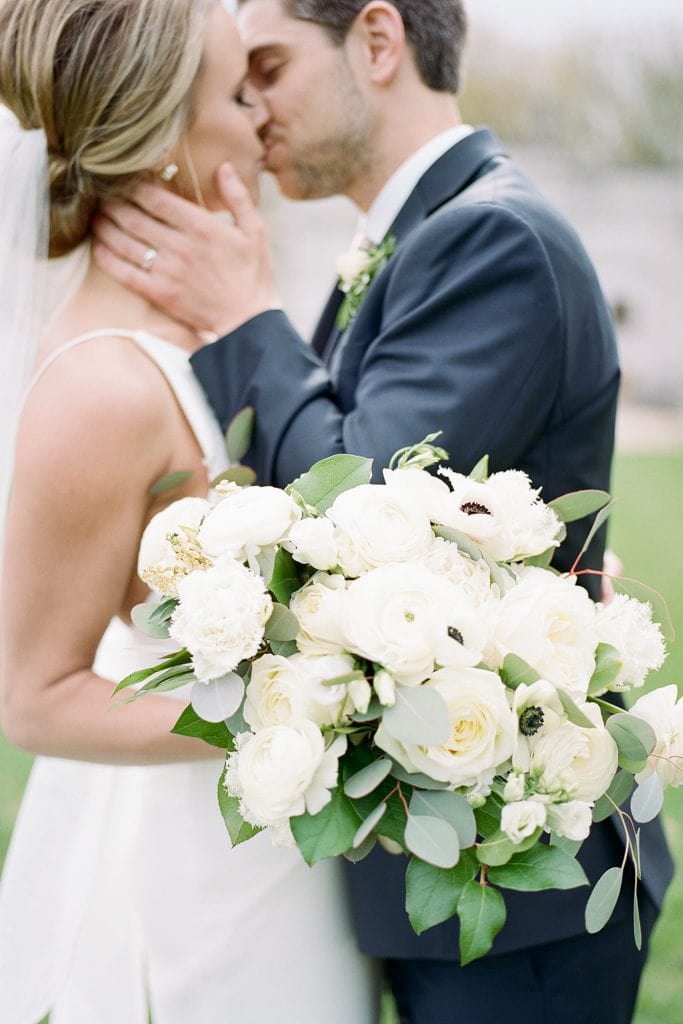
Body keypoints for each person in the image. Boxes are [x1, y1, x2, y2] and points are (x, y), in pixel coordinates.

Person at [93, 1, 675, 1021]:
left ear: (374, 40)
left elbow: (356, 510)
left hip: (519, 885)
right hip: (444, 847)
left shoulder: (490, 237)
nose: (249, 105)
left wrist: (241, 317)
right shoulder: (418, 234)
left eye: (267, 67)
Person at [0, 2, 379, 1023]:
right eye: (235, 90)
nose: (263, 115)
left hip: (279, 848)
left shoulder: (212, 330)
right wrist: (309, 715)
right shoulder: (102, 389)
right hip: (202, 873)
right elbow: (33, 696)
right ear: (167, 137)